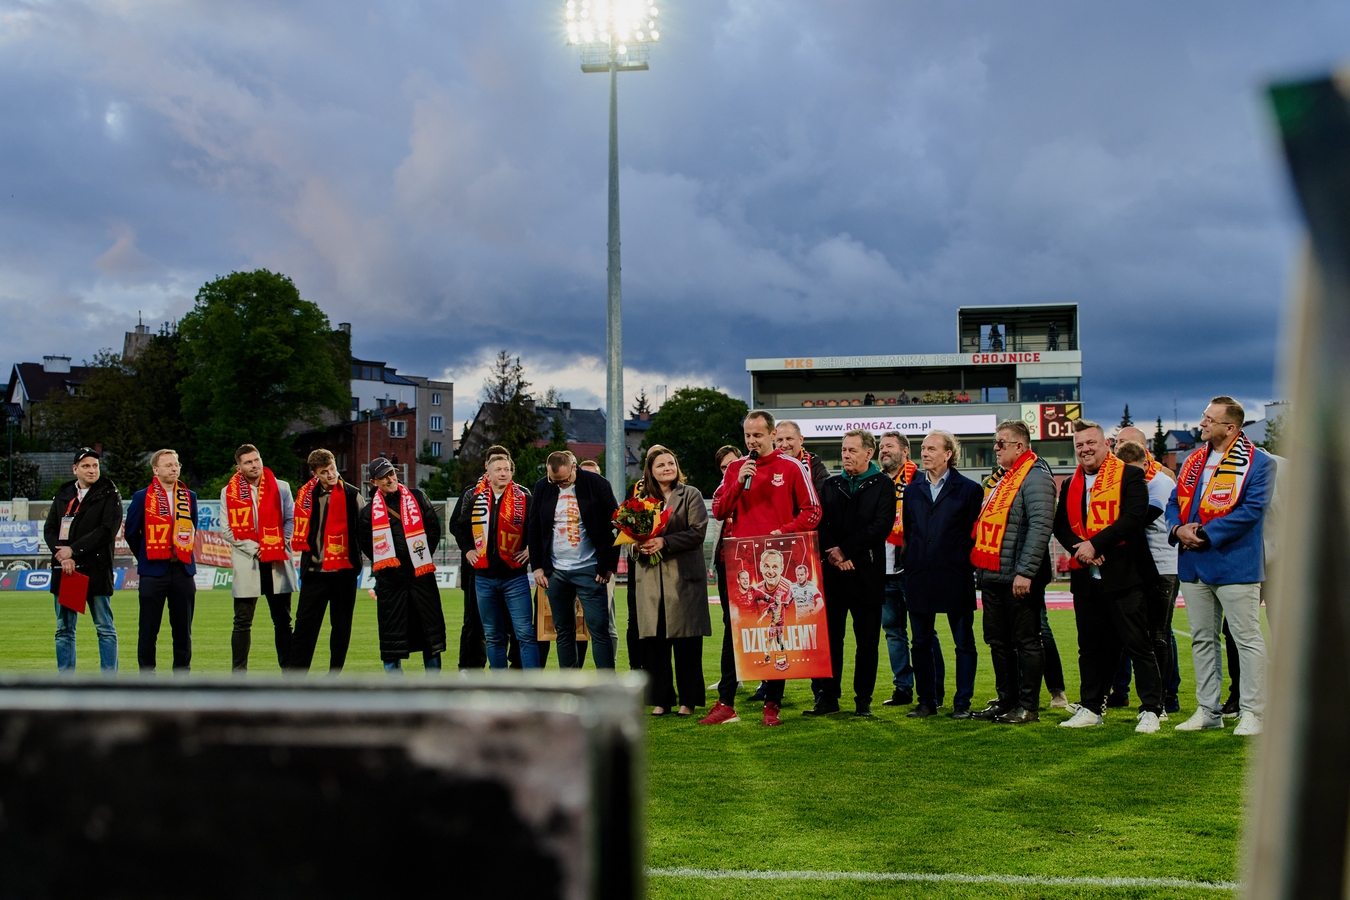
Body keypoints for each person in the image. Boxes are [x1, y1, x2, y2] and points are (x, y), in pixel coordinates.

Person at [702, 410, 821, 727]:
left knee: (776, 630)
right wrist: (737, 484)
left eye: (757, 435)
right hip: (740, 564)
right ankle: (726, 703)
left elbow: (812, 511)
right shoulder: (736, 469)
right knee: (735, 632)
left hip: (776, 561)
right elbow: (719, 510)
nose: (752, 441)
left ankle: (772, 703)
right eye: (747, 435)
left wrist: (783, 532)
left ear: (772, 435)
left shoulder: (792, 467)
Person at [1167, 396, 1273, 737]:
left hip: (1234, 564)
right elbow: (1174, 502)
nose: (1202, 423)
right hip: (1193, 563)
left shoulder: (1259, 463)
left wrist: (1204, 534)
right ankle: (1208, 710)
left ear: (1230, 427)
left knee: (1246, 639)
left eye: (1209, 420)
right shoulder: (1193, 459)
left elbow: (1251, 511)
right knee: (1202, 639)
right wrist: (1177, 529)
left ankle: (1253, 711)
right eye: (1203, 416)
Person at [1053, 419, 1163, 733]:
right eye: (1079, 445)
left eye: (1091, 443)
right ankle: (1090, 707)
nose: (1085, 449)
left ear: (1106, 445)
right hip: (1086, 577)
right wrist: (1081, 549)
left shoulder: (1130, 474)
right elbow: (1060, 525)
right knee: (1089, 648)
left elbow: (1133, 518)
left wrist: (1096, 544)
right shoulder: (1070, 483)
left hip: (1126, 576)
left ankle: (1151, 710)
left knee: (1138, 644)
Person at [970, 420, 1056, 724]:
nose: (995, 448)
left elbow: (1040, 527)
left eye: (1001, 443)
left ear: (1019, 446)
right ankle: (1006, 700)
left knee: (1026, 640)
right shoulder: (1004, 479)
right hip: (994, 573)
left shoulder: (1035, 477)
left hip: (1018, 576)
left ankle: (1028, 706)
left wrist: (1026, 572)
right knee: (998, 641)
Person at [810, 429, 892, 717]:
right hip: (834, 575)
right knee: (831, 641)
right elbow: (819, 523)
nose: (845, 455)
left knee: (867, 643)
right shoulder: (831, 484)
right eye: (844, 449)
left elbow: (881, 526)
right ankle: (828, 698)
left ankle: (863, 700)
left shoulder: (883, 485)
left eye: (852, 450)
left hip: (867, 575)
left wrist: (845, 551)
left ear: (868, 453)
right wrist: (835, 554)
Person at [903, 431, 983, 719]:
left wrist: (962, 562)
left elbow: (974, 534)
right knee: (920, 642)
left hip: (955, 576)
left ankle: (962, 704)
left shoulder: (970, 490)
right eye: (923, 448)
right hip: (919, 576)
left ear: (948, 454)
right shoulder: (912, 490)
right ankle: (927, 702)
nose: (924, 453)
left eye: (931, 449)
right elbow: (909, 533)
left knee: (964, 643)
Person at [632, 446, 710, 715]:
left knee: (687, 644)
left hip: (683, 581)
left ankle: (688, 700)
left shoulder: (691, 494)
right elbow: (628, 539)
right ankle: (661, 700)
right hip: (651, 583)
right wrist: (636, 546)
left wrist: (664, 541)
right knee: (654, 644)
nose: (667, 468)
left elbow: (698, 532)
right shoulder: (641, 500)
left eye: (671, 464)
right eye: (661, 465)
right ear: (650, 471)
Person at [528, 450, 620, 669]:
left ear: (574, 467)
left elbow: (618, 524)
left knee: (599, 630)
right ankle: (569, 683)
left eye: (564, 480)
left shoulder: (597, 484)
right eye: (555, 481)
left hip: (590, 569)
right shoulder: (543, 486)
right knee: (563, 632)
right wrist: (538, 567)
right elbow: (534, 527)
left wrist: (608, 565)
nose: (560, 484)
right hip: (556, 571)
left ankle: (606, 684)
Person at [1113, 433, 1182, 717]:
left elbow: (1138, 520)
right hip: (1142, 566)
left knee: (1159, 635)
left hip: (1163, 567)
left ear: (1143, 462)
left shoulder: (1160, 483)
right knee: (1141, 635)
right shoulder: (1143, 482)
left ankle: (1165, 699)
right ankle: (1147, 697)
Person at [357, 456, 446, 674]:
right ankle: (396, 691)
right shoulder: (367, 513)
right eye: (383, 477)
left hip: (421, 580)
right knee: (392, 645)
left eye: (391, 474)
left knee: (430, 639)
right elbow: (368, 546)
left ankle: (434, 689)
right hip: (391, 585)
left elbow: (433, 530)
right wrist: (393, 568)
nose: (390, 479)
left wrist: (420, 558)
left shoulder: (418, 497)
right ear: (374, 482)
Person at [450, 449, 538, 669]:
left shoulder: (525, 499)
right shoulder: (476, 498)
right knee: (492, 636)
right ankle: (500, 683)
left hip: (515, 578)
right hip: (484, 579)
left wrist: (531, 549)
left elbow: (540, 528)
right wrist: (468, 550)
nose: (503, 473)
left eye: (507, 469)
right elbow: (459, 526)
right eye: (498, 470)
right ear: (488, 474)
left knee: (525, 633)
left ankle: (531, 683)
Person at [287, 448, 364, 675]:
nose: (330, 475)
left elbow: (364, 530)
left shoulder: (352, 495)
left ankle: (334, 676)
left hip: (344, 573)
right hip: (314, 571)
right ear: (315, 474)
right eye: (324, 472)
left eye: (332, 469)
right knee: (304, 628)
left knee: (341, 628)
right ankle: (296, 679)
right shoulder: (305, 496)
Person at [44, 447, 122, 674]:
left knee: (104, 628)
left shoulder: (109, 493)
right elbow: (50, 529)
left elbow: (106, 531)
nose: (92, 470)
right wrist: (63, 556)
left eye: (95, 466)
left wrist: (73, 551)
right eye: (86, 466)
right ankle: (66, 681)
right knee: (64, 629)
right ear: (75, 469)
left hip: (96, 569)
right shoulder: (64, 493)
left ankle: (109, 682)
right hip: (67, 571)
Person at [221, 444, 297, 672]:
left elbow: (291, 520)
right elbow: (227, 530)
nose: (254, 465)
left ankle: (289, 673)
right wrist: (257, 549)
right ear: (239, 467)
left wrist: (277, 544)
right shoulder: (228, 492)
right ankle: (239, 675)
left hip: (277, 561)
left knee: (283, 621)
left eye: (256, 459)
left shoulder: (281, 487)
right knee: (242, 622)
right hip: (249, 561)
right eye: (248, 462)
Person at [125, 449, 198, 674]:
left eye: (176, 464)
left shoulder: (189, 496)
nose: (174, 468)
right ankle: (148, 678)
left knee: (183, 630)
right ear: (155, 470)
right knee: (148, 629)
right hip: (153, 571)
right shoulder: (142, 497)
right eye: (168, 465)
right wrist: (147, 555)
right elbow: (131, 533)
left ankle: (182, 676)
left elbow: (193, 528)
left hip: (183, 570)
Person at [877, 430, 923, 707]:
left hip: (910, 569)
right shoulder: (877, 482)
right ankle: (903, 689)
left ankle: (932, 690)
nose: (883, 450)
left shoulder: (919, 481)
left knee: (923, 634)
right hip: (882, 570)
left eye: (889, 446)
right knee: (893, 633)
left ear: (905, 451)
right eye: (881, 446)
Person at [705, 445, 744, 720]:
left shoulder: (753, 484)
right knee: (730, 623)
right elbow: (719, 520)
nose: (729, 469)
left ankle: (766, 686)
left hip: (750, 559)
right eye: (723, 467)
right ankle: (732, 681)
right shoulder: (722, 489)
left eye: (732, 463)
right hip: (725, 560)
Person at [775, 420, 829, 494]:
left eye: (789, 439)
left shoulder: (815, 465)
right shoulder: (767, 466)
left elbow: (824, 496)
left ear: (800, 440)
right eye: (779, 440)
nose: (784, 445)